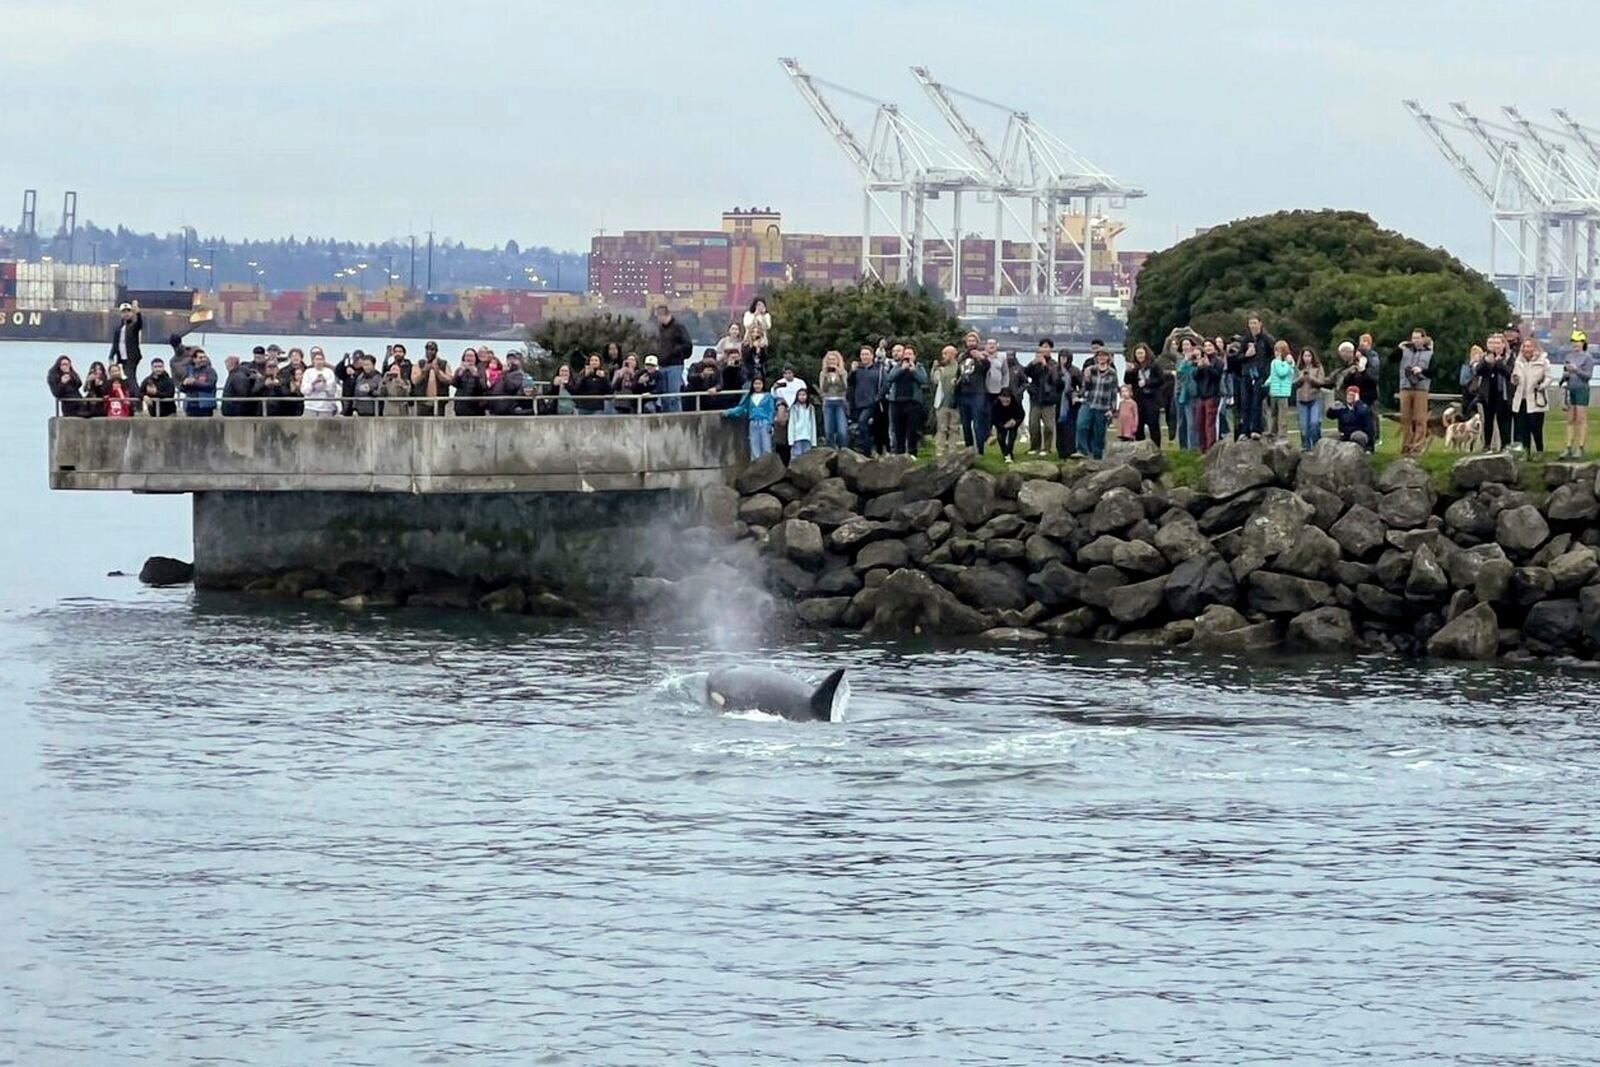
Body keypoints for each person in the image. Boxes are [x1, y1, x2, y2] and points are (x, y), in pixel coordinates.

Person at [884, 345, 928, 455]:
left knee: (912, 431)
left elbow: (924, 380)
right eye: (906, 354)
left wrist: (913, 371)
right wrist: (901, 369)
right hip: (896, 402)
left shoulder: (919, 367)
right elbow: (890, 378)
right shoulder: (898, 366)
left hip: (913, 403)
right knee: (898, 431)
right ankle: (899, 454)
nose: (907, 356)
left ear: (914, 356)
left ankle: (912, 454)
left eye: (910, 354)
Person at [1396, 327, 1434, 455]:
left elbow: (1435, 372)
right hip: (1405, 386)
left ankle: (1417, 447)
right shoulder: (1405, 351)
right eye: (1413, 338)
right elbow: (1391, 360)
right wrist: (1398, 349)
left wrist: (1421, 371)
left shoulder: (1430, 354)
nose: (1415, 340)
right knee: (1405, 418)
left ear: (1423, 339)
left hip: (1421, 388)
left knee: (1419, 418)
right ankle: (1406, 446)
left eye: (1418, 338)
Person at [1510, 336, 1551, 454]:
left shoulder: (1543, 361)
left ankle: (1539, 450)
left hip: (1536, 398)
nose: (1527, 349)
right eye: (1525, 346)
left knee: (1536, 428)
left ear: (1534, 348)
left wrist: (1541, 386)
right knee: (1523, 428)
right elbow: (1514, 377)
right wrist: (1515, 379)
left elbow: (1549, 377)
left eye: (1529, 346)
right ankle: (1526, 452)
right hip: (1521, 399)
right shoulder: (1518, 361)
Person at [1076, 348, 1119, 459]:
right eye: (1099, 356)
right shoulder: (1090, 370)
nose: (1101, 358)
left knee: (1099, 435)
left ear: (1108, 358)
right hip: (1088, 403)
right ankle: (1083, 452)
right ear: (1096, 358)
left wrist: (1112, 409)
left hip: (1103, 407)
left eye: (1104, 355)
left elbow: (1114, 392)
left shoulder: (1112, 373)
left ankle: (1097, 458)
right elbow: (1085, 387)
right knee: (1081, 426)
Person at [1238, 315, 1274, 438]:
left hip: (1260, 376)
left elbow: (1273, 356)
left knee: (1256, 403)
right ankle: (1245, 430)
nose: (1253, 326)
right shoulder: (1245, 340)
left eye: (1255, 323)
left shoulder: (1266, 339)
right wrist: (1246, 355)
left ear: (1260, 323)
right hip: (1247, 374)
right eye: (1250, 323)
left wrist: (1267, 372)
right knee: (1245, 403)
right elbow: (1238, 358)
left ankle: (1256, 429)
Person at [1024, 338, 1062, 456]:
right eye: (1042, 347)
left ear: (1051, 349)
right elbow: (1025, 373)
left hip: (1049, 399)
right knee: (1033, 425)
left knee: (1049, 426)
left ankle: (1046, 448)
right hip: (1035, 398)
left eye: (1047, 347)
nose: (1044, 349)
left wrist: (1045, 365)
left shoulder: (1054, 364)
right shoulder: (1035, 362)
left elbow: (1055, 378)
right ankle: (1034, 447)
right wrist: (1033, 363)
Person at [1475, 334, 1513, 451]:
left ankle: (1505, 445)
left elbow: (1509, 373)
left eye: (1498, 343)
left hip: (1503, 393)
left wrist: (1499, 362)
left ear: (1503, 344)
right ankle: (1487, 445)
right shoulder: (1486, 357)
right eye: (1492, 343)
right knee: (1488, 420)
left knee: (1504, 421)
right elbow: (1478, 371)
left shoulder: (1509, 358)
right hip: (1489, 393)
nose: (1495, 346)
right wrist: (1486, 362)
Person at [724, 375, 776, 459]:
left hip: (765, 422)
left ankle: (767, 464)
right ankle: (756, 465)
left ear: (763, 385)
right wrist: (729, 412)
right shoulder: (749, 396)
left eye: (760, 383)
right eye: (756, 384)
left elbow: (771, 410)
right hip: (753, 422)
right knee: (754, 445)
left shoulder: (768, 396)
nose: (757, 386)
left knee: (766, 444)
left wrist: (770, 423)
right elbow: (741, 407)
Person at [1124, 344, 1167, 446]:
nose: (1140, 356)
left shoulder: (1154, 365)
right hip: (1139, 399)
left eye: (1141, 353)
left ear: (1146, 353)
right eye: (1138, 353)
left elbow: (1161, 380)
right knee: (1139, 426)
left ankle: (1156, 448)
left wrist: (1147, 382)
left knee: (1153, 426)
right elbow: (1127, 381)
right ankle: (1140, 449)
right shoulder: (1134, 367)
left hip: (1152, 399)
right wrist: (1129, 371)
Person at [848, 345, 888, 454]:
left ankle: (867, 450)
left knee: (863, 422)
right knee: (864, 426)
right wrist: (852, 371)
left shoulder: (878, 369)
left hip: (872, 403)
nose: (864, 357)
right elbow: (850, 383)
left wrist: (878, 396)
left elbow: (885, 384)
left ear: (872, 355)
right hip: (858, 402)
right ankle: (866, 447)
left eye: (867, 354)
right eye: (862, 354)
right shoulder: (858, 369)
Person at [653, 304, 693, 412]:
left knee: (673, 395)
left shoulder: (679, 327)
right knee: (664, 396)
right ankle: (666, 417)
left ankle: (675, 418)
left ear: (663, 315)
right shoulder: (661, 329)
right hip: (662, 364)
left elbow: (687, 344)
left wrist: (674, 352)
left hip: (675, 364)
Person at [1560, 328, 1592, 459]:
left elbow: (1588, 376)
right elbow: (1566, 373)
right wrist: (1564, 377)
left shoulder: (1587, 357)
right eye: (1574, 341)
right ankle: (1568, 446)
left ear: (1583, 343)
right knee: (1570, 419)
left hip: (1582, 389)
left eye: (1578, 342)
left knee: (1581, 419)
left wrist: (1576, 370)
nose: (1575, 344)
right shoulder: (1568, 356)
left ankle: (1580, 447)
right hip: (1570, 388)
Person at [955, 342, 991, 453]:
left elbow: (987, 367)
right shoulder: (962, 357)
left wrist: (980, 357)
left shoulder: (981, 357)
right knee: (965, 424)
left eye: (973, 340)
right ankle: (968, 449)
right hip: (963, 394)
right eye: (969, 340)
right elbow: (958, 373)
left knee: (977, 423)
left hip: (977, 394)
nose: (971, 343)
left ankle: (980, 450)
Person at [1293, 348, 1328, 451]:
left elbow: (1322, 382)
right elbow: (1293, 383)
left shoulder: (1318, 367)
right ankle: (1305, 446)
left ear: (1312, 357)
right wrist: (1301, 379)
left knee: (1314, 423)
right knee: (1304, 426)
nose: (1307, 358)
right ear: (1302, 357)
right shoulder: (1298, 368)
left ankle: (1317, 444)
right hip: (1301, 400)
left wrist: (1311, 378)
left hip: (1315, 398)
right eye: (1305, 356)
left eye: (1309, 356)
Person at [929, 345, 961, 455]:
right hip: (942, 403)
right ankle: (940, 452)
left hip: (955, 403)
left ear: (952, 354)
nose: (943, 357)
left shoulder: (959, 368)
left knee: (954, 428)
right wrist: (934, 369)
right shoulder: (941, 368)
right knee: (941, 428)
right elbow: (934, 381)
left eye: (945, 354)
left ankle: (953, 452)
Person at [1191, 345, 1222, 451]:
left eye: (1210, 345)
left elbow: (1217, 376)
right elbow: (1195, 376)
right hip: (1200, 396)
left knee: (1209, 423)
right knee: (1199, 423)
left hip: (1212, 395)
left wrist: (1208, 367)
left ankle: (1210, 448)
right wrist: (1199, 368)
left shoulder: (1218, 362)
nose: (1207, 348)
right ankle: (1202, 448)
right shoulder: (1200, 360)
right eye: (1205, 346)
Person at [817, 351, 851, 449]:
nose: (831, 362)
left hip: (840, 402)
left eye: (834, 359)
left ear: (838, 361)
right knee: (829, 431)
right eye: (829, 360)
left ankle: (843, 450)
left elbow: (844, 388)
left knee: (842, 431)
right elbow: (823, 389)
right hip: (828, 402)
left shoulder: (843, 372)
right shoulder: (823, 373)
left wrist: (839, 375)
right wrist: (827, 377)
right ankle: (831, 452)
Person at [109, 301, 143, 386]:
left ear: (131, 313)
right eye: (124, 312)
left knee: (130, 376)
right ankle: (129, 393)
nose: (126, 314)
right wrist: (111, 355)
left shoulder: (133, 325)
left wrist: (138, 313)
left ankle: (136, 395)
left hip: (132, 356)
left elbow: (139, 324)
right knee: (125, 377)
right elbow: (115, 343)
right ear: (121, 314)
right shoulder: (118, 328)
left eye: (128, 311)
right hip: (121, 357)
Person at [1265, 340, 1295, 440]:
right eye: (1275, 350)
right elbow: (1272, 374)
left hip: (1283, 393)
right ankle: (1273, 431)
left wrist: (1285, 363)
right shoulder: (1274, 362)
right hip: (1274, 392)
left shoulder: (1288, 363)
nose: (1276, 353)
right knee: (1273, 413)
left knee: (1282, 415)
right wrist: (1266, 383)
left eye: (1279, 351)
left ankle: (1282, 434)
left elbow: (1282, 373)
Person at [411, 344, 452, 416]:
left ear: (436, 351)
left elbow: (449, 380)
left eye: (432, 350)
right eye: (428, 350)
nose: (429, 352)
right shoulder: (419, 363)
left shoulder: (444, 363)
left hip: (439, 402)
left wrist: (438, 372)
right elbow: (414, 381)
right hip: (423, 402)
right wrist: (424, 372)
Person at [1172, 338, 1197, 449]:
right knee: (1181, 420)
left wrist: (1193, 334)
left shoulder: (1196, 358)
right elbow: (1179, 374)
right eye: (1183, 345)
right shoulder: (1179, 358)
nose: (1185, 347)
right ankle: (1183, 447)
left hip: (1191, 393)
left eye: (1187, 344)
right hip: (1179, 392)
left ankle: (1193, 446)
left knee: (1192, 421)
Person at [1056, 351, 1081, 458]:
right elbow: (1049, 384)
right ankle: (1061, 451)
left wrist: (1076, 394)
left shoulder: (1075, 370)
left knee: (1070, 427)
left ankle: (1071, 450)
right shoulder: (1054, 369)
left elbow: (1083, 386)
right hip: (1058, 401)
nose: (1063, 360)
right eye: (1061, 358)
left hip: (1071, 402)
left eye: (1065, 358)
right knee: (1060, 427)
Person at [178, 349, 217, 418]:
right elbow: (181, 388)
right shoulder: (189, 371)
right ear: (194, 359)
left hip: (205, 406)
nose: (203, 359)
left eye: (204, 357)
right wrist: (184, 384)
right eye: (200, 358)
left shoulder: (210, 371)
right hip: (190, 406)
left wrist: (194, 382)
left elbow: (210, 385)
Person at [300, 350, 340, 417]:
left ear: (324, 360)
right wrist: (313, 384)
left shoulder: (329, 372)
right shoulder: (308, 372)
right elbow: (303, 390)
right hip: (310, 407)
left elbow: (332, 390)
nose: (319, 362)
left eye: (321, 359)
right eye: (317, 359)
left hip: (326, 408)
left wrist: (325, 383)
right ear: (313, 361)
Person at [452, 350, 489, 416]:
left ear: (475, 358)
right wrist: (460, 373)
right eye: (467, 356)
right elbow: (454, 384)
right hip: (461, 406)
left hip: (476, 407)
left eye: (471, 356)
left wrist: (476, 375)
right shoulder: (459, 369)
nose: (469, 358)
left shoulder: (480, 370)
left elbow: (483, 387)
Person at [992, 388, 1022, 463]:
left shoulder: (1016, 402)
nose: (1006, 400)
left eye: (1008, 398)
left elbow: (1021, 415)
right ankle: (1005, 453)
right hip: (1001, 422)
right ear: (999, 397)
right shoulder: (995, 404)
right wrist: (1002, 426)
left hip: (1013, 420)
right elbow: (993, 419)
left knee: (1011, 438)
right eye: (1004, 398)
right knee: (1000, 438)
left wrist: (1015, 422)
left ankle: (1009, 453)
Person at [788, 387, 817, 459]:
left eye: (804, 395)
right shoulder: (794, 408)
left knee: (807, 457)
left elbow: (813, 424)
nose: (802, 397)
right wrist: (791, 440)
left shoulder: (810, 408)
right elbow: (791, 424)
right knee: (797, 457)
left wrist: (813, 441)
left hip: (807, 437)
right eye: (800, 395)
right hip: (797, 437)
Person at [1460, 344, 1484, 417]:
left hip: (1472, 393)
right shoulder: (1467, 366)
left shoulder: (1467, 365)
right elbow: (1463, 381)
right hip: (1470, 393)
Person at [772, 397, 792, 465]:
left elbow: (782, 421)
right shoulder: (774, 414)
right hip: (778, 440)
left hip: (786, 440)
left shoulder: (790, 414)